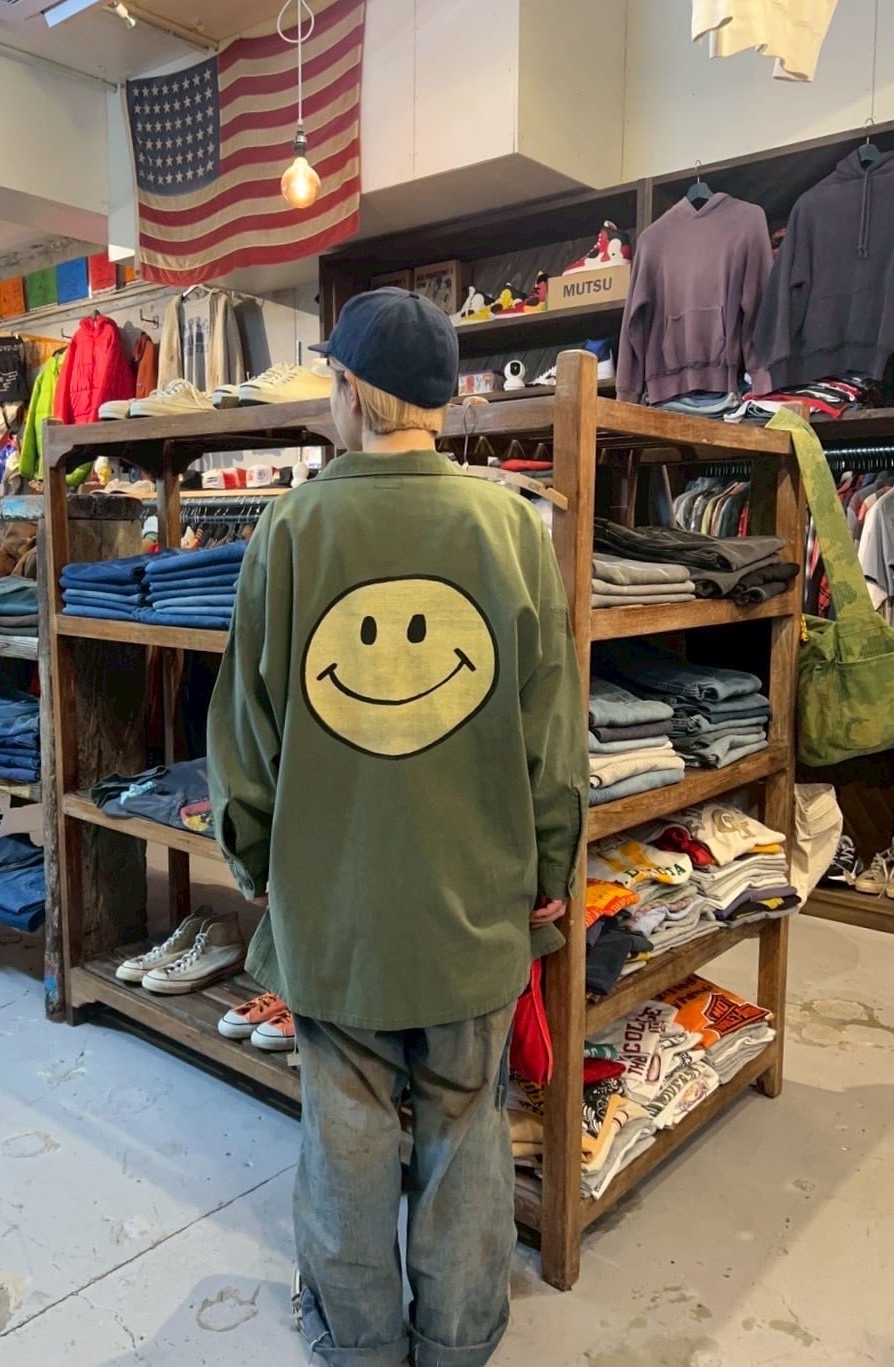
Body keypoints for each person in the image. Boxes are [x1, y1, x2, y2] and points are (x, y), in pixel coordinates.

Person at [207, 287, 587, 1367]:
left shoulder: (290, 528)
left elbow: (245, 726)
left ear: (347, 389)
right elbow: (550, 726)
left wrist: (250, 849)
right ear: (440, 399)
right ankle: (457, 1336)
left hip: (334, 906)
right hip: (473, 900)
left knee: (344, 1128)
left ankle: (360, 1339)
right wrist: (552, 861)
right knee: (466, 1121)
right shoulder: (509, 527)